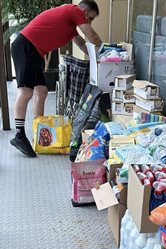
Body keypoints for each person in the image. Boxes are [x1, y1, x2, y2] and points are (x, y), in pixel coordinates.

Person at [10, 0, 102, 157]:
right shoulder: (75, 10)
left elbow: (81, 45)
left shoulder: (71, 27)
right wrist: (105, 52)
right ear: (85, 12)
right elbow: (91, 36)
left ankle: (39, 132)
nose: (89, 22)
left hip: (35, 52)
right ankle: (19, 134)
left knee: (42, 91)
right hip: (26, 47)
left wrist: (96, 58)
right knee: (25, 92)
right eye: (91, 18)